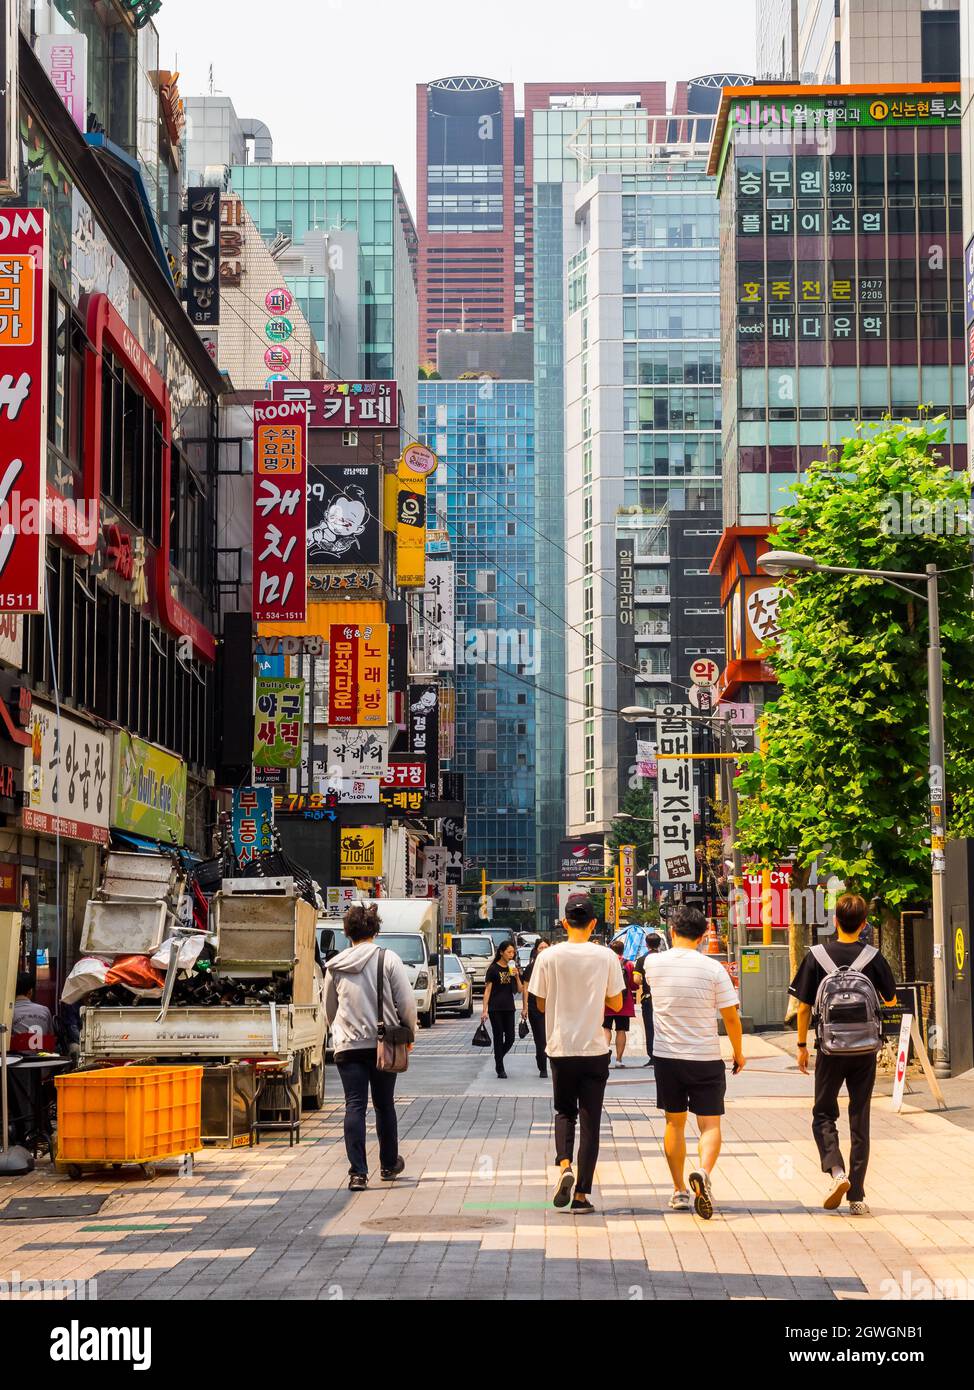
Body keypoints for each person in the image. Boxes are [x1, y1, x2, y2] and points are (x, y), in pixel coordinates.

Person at [789, 893, 897, 1216]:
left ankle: (837, 1172)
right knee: (859, 1117)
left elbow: (804, 1006)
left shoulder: (816, 956)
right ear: (864, 924)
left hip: (829, 1049)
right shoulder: (873, 957)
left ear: (834, 920)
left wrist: (801, 1046)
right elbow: (890, 1000)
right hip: (864, 1050)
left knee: (823, 1113)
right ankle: (858, 1196)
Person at [646, 906, 745, 1220]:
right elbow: (731, 1015)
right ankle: (702, 1171)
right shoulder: (714, 969)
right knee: (710, 1124)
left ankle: (678, 1190)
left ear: (672, 932)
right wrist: (738, 1052)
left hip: (667, 1057)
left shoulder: (653, 963)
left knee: (674, 1123)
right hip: (705, 1056)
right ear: (704, 937)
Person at [528, 893, 624, 1215]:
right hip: (594, 1049)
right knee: (590, 1122)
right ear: (594, 923)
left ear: (565, 922)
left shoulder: (548, 957)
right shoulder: (607, 956)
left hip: (560, 1048)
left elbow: (539, 1003)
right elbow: (616, 1003)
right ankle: (582, 1195)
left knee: (564, 1111)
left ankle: (564, 1166)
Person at [324, 903, 417, 1191]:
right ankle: (389, 1164)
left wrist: (339, 1033)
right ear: (375, 930)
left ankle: (358, 1173)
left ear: (347, 932)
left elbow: (329, 1008)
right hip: (384, 1042)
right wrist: (409, 1033)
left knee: (354, 1105)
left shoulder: (335, 965)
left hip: (347, 1045)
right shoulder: (388, 959)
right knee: (383, 1103)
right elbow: (407, 1003)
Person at [483, 941, 522, 1078]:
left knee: (510, 1038)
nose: (511, 955)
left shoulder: (512, 968)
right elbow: (487, 990)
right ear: (501, 952)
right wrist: (484, 1010)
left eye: (513, 952)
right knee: (498, 1037)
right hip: (495, 1008)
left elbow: (519, 990)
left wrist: (517, 976)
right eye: (509, 952)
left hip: (509, 1008)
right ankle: (500, 1068)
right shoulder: (493, 969)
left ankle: (498, 1058)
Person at [602, 940, 636, 1067]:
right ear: (623, 950)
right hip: (624, 1002)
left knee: (606, 1028)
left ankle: (605, 1054)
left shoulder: (605, 963)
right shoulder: (628, 964)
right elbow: (633, 985)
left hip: (608, 1001)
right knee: (621, 1030)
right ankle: (619, 1060)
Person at [520, 939, 550, 1078]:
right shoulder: (531, 967)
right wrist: (525, 1007)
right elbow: (525, 987)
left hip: (552, 1007)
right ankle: (542, 1065)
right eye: (540, 948)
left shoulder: (555, 965)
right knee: (541, 1038)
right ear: (536, 950)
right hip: (534, 1007)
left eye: (546, 947)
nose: (543, 950)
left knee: (552, 1037)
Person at [633, 932, 663, 1066]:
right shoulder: (664, 958)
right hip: (663, 997)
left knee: (650, 1027)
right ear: (659, 944)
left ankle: (652, 1056)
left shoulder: (641, 960)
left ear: (646, 944)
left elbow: (636, 980)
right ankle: (664, 1055)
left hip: (648, 998)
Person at [11, 972, 54, 1048]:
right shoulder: (45, 1011)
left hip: (16, 1059)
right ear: (30, 991)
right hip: (43, 1058)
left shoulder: (8, 1013)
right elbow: (50, 1038)